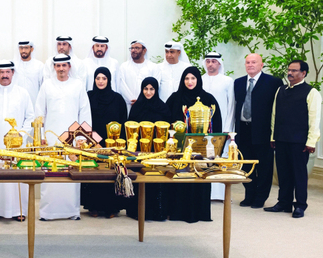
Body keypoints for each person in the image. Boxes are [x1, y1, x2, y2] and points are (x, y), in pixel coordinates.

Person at [35, 54, 91, 220]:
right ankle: (48, 212)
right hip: (50, 138)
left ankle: (71, 211)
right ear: (54, 67)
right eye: (58, 66)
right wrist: (40, 136)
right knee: (50, 173)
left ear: (69, 67)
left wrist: (82, 138)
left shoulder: (78, 85)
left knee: (71, 172)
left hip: (73, 139)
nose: (61, 69)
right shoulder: (47, 85)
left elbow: (84, 112)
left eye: (64, 66)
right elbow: (39, 112)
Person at [165, 66, 222, 223]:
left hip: (201, 148)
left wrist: (213, 146)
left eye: (193, 78)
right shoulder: (175, 98)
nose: (189, 82)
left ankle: (200, 213)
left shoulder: (208, 99)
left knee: (200, 178)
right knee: (180, 178)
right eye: (186, 78)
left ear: (198, 80)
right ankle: (177, 212)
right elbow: (166, 119)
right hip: (180, 149)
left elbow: (216, 123)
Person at [266, 60, 321, 218]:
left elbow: (314, 119)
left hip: (300, 142)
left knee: (299, 174)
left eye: (294, 70)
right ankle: (284, 202)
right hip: (281, 139)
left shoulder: (311, 92)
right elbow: (274, 115)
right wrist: (273, 137)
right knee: (283, 173)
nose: (290, 73)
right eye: (289, 70)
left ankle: (300, 205)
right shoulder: (280, 90)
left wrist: (311, 142)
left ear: (303, 73)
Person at [0, 61, 34, 221]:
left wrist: (20, 135)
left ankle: (19, 210)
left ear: (13, 73)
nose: (4, 75)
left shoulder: (22, 93)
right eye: (1, 72)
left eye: (7, 72)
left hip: (17, 144)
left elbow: (30, 117)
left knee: (16, 174)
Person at [234, 53, 283, 209]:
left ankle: (260, 197)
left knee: (264, 167)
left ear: (261, 65)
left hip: (263, 132)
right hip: (243, 130)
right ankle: (249, 194)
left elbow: (279, 109)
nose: (250, 65)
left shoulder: (273, 82)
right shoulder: (238, 82)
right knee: (246, 165)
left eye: (254, 62)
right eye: (248, 62)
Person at [81, 67, 128, 218]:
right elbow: (84, 119)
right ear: (94, 80)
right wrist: (92, 140)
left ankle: (111, 208)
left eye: (104, 78)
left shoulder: (118, 99)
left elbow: (123, 121)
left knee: (110, 173)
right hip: (92, 143)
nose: (100, 81)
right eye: (98, 78)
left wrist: (119, 144)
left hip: (111, 144)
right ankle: (93, 206)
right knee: (93, 172)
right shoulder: (88, 97)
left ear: (109, 80)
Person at [124, 77, 172, 221]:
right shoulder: (137, 107)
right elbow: (131, 129)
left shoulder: (163, 107)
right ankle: (137, 211)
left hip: (157, 152)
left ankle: (158, 212)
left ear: (156, 90)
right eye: (146, 89)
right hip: (140, 151)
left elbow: (167, 129)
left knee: (156, 180)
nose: (148, 92)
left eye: (152, 89)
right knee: (140, 179)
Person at [201, 51, 235, 201]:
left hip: (222, 127)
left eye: (214, 61)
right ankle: (205, 193)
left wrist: (228, 128)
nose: (210, 64)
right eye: (208, 61)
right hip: (203, 126)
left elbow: (231, 105)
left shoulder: (227, 81)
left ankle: (220, 194)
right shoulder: (200, 79)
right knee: (204, 157)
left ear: (219, 63)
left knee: (220, 158)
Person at [117, 40, 161, 114]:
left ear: (144, 50)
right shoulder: (124, 67)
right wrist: (132, 100)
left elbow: (155, 85)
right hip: (128, 104)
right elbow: (122, 85)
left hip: (147, 104)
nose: (133, 50)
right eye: (132, 48)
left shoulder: (153, 67)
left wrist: (141, 101)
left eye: (137, 48)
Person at [13, 40, 43, 110]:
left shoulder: (39, 65)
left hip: (34, 104)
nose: (23, 51)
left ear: (32, 49)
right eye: (21, 48)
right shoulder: (13, 66)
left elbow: (42, 87)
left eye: (26, 48)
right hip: (16, 104)